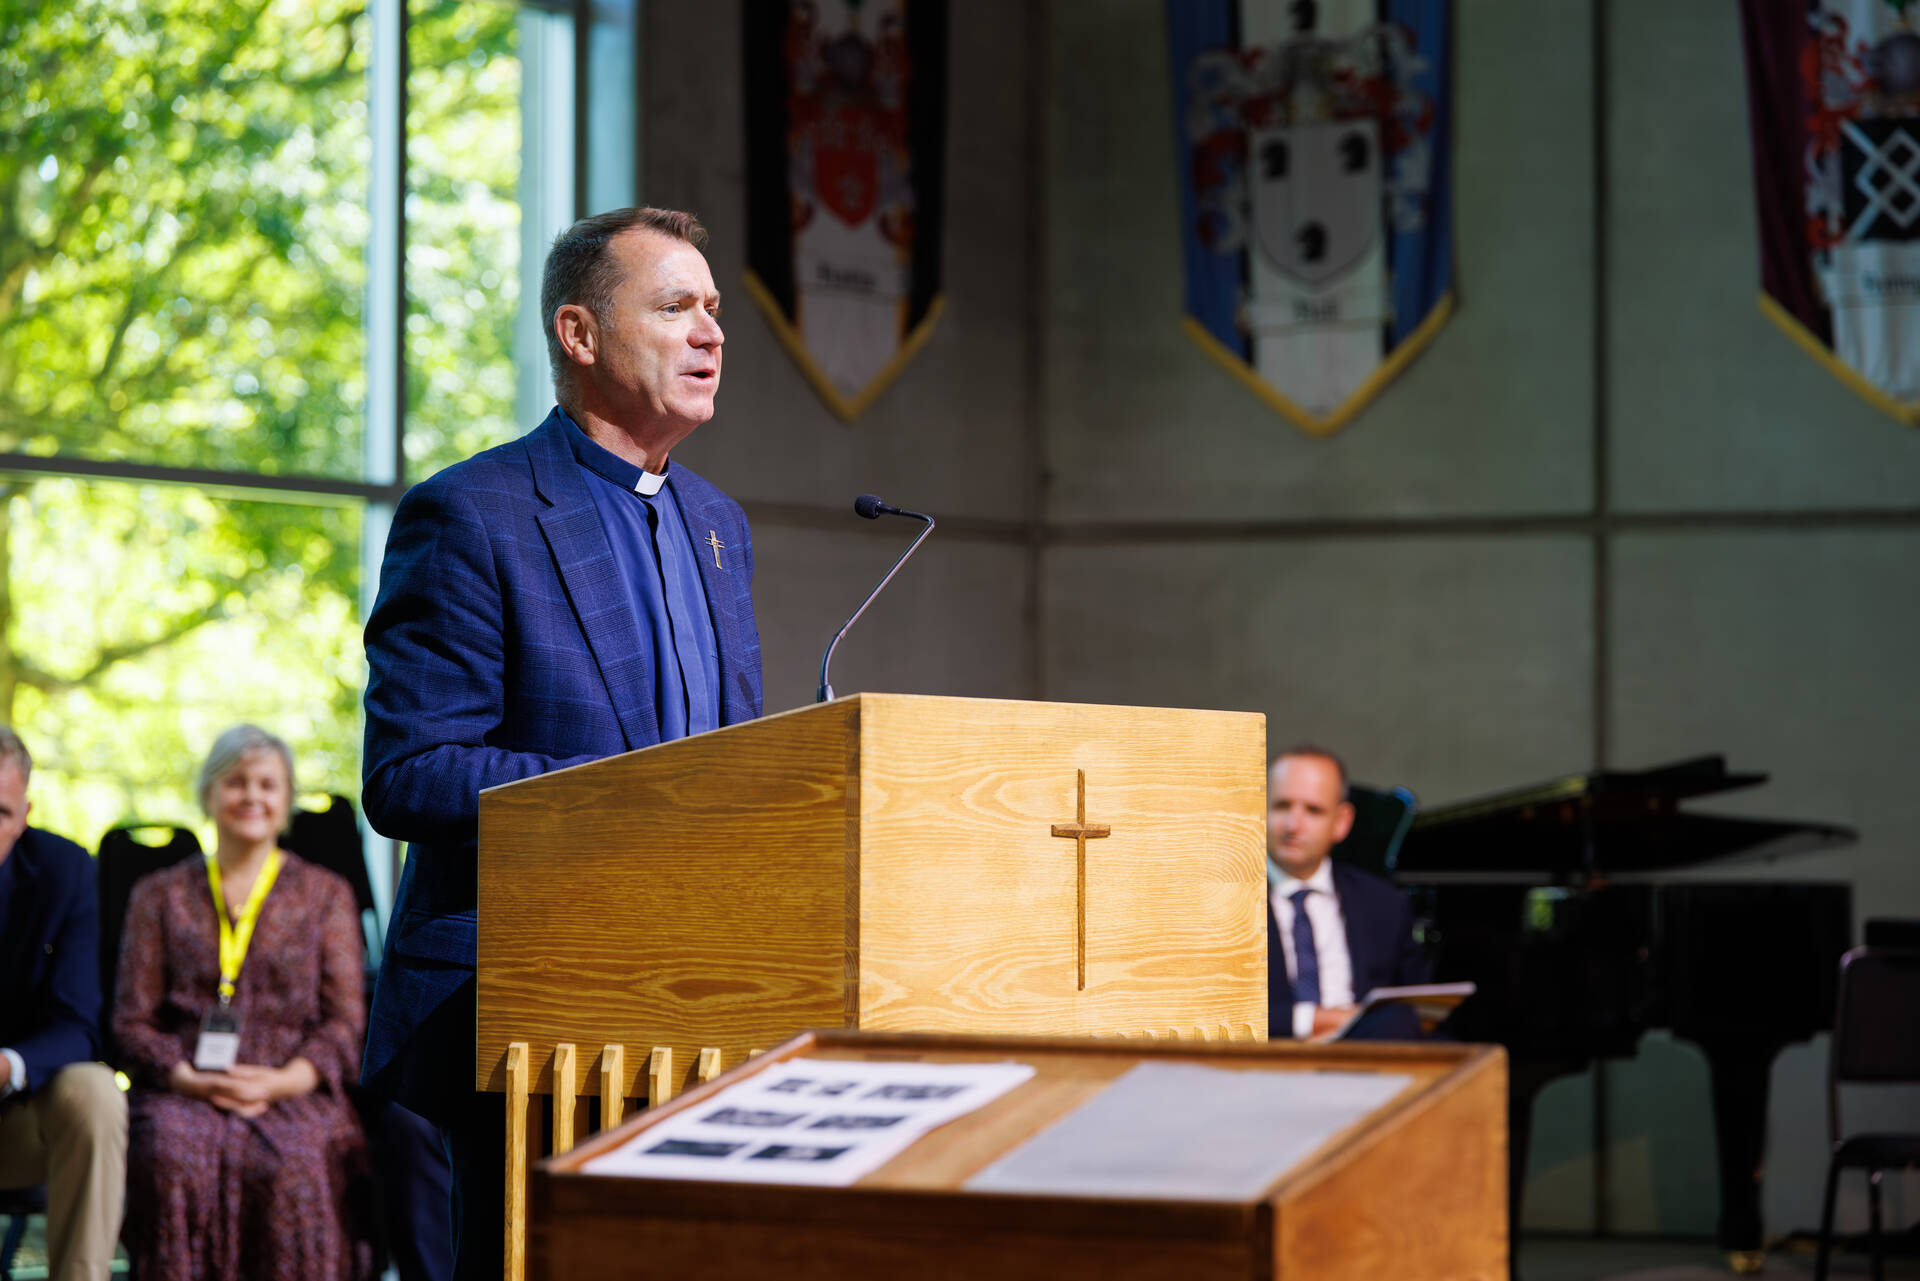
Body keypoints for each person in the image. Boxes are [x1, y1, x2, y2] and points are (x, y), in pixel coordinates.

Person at [360, 206, 763, 1279]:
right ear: (579, 335)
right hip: (524, 1005)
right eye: (675, 307)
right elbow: (409, 773)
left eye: (713, 308)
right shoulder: (472, 512)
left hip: (705, 1000)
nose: (711, 332)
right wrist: (632, 795)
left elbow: (736, 764)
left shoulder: (719, 526)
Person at [113, 725, 373, 1281]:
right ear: (208, 794)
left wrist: (282, 1082)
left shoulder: (327, 894)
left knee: (295, 1161)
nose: (252, 796)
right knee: (169, 1153)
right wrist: (186, 1078)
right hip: (182, 1085)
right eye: (236, 782)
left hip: (294, 1087)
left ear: (286, 802)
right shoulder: (157, 894)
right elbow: (132, 1019)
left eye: (267, 784)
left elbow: (345, 1021)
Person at [0, 728, 127, 1281]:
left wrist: (8, 1066)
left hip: (16, 1113)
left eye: (0, 813)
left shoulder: (64, 869)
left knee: (95, 1091)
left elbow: (78, 1023)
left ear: (24, 815)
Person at [1266, 745, 1429, 1040]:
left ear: (1341, 822)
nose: (1293, 825)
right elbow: (1201, 1014)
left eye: (1313, 810)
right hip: (1260, 1062)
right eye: (1281, 806)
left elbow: (1418, 1012)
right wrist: (1313, 1020)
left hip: (1367, 1062)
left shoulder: (1384, 904)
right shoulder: (1215, 899)